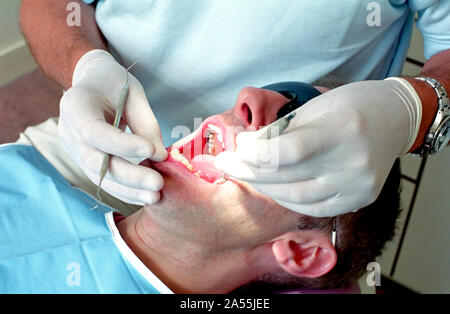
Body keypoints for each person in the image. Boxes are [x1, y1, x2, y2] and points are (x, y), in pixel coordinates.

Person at [20, 0, 450, 217]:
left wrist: (409, 109)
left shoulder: (299, 258)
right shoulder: (19, 183)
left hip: (292, 199)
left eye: (288, 104)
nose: (246, 96)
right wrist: (86, 67)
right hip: (97, 144)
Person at [0, 85, 401, 293]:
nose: (250, 97)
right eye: (290, 94)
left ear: (301, 251)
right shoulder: (19, 170)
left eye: (295, 124)